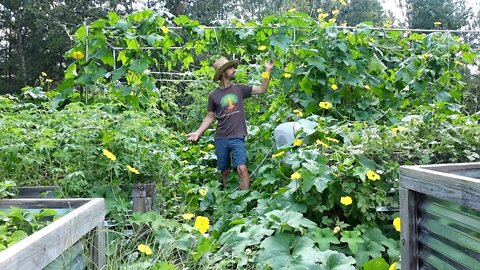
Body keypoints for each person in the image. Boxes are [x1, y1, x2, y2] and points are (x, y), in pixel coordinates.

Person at [187, 56, 273, 190]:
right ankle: (227, 199)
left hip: (237, 136)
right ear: (222, 73)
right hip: (221, 137)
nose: (234, 70)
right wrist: (198, 132)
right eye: (230, 68)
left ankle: (244, 202)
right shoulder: (213, 95)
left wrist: (267, 70)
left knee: (242, 168)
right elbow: (210, 117)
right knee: (225, 171)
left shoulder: (239, 89)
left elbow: (262, 89)